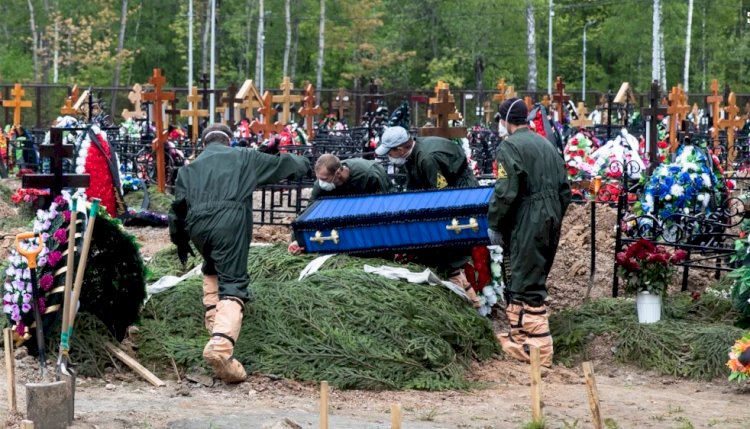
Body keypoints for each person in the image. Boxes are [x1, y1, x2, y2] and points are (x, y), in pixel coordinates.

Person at [169, 124, 311, 383]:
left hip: (198, 228)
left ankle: (215, 326)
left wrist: (180, 240)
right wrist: (306, 163)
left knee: (212, 266)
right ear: (229, 141)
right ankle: (221, 348)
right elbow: (282, 164)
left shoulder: (188, 170)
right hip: (229, 223)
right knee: (234, 284)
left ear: (203, 144)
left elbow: (177, 209)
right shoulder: (243, 156)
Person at [487, 98, 572, 367]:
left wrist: (495, 223)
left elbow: (505, 191)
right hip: (551, 214)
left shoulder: (509, 147)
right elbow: (565, 190)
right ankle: (521, 336)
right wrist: (553, 214)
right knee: (532, 272)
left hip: (528, 215)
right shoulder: (546, 144)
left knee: (525, 278)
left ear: (504, 120)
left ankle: (540, 351)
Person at [375, 126, 481, 307]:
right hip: (448, 191)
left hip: (460, 195)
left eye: (390, 152)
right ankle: (470, 296)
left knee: (440, 243)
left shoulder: (427, 159)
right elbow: (415, 187)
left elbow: (440, 196)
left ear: (400, 149)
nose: (388, 157)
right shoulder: (413, 153)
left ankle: (461, 298)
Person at [288, 154, 393, 255]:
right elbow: (309, 213)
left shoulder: (369, 175)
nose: (321, 183)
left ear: (338, 173)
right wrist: (298, 241)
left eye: (324, 179)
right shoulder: (321, 186)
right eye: (319, 178)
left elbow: (386, 206)